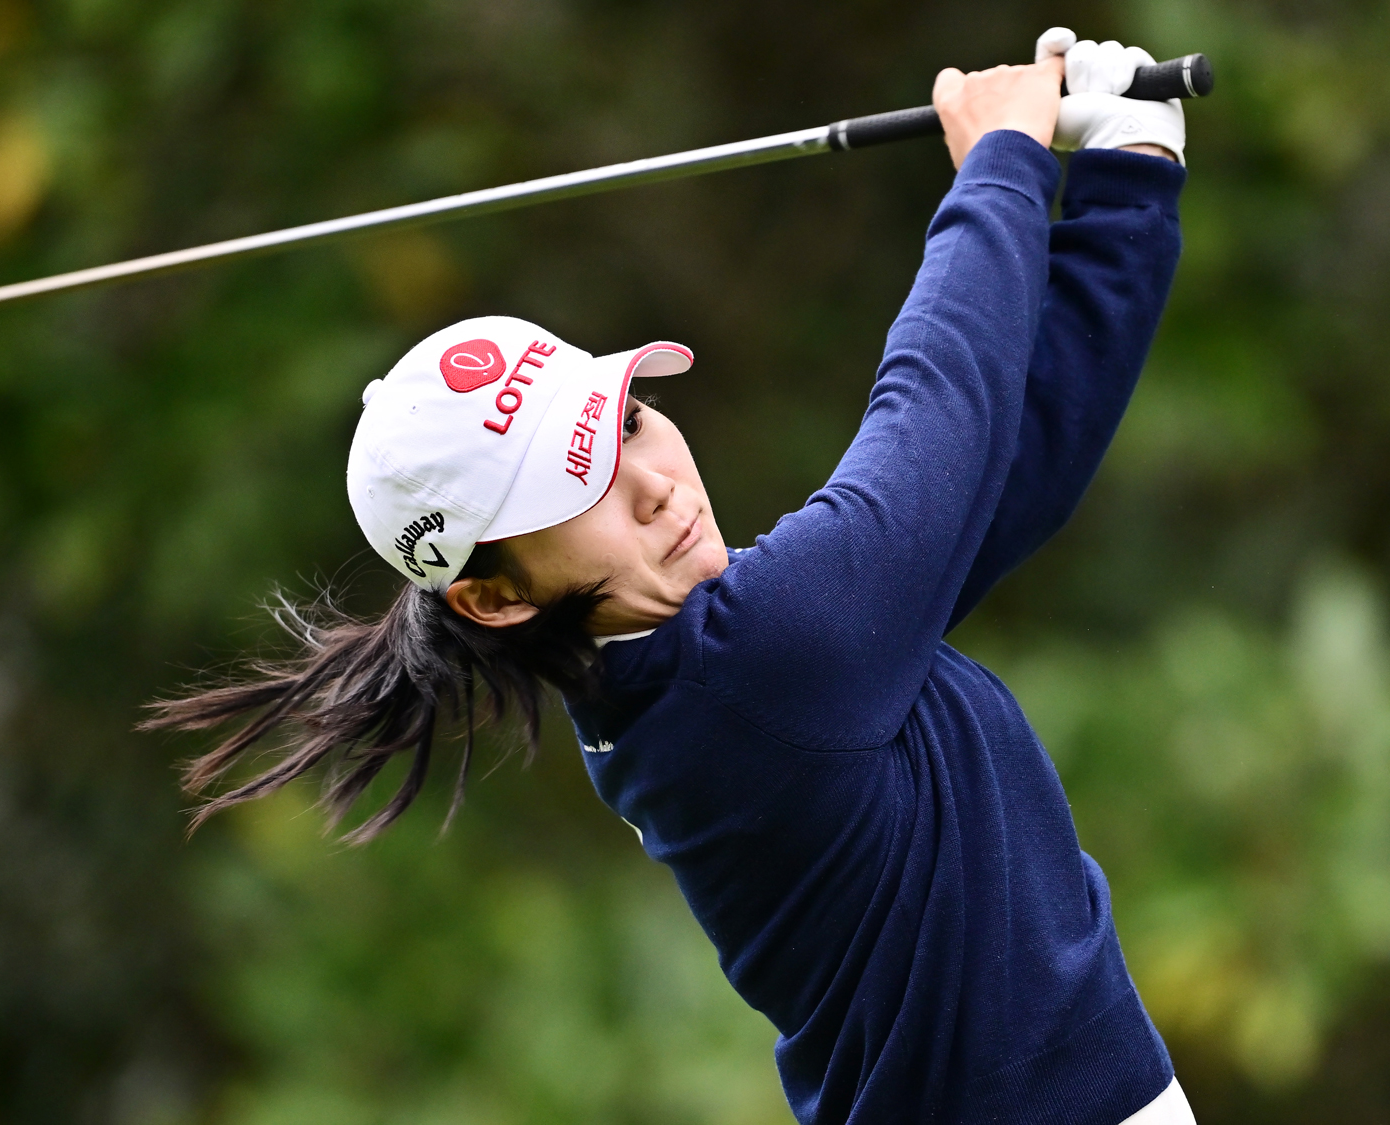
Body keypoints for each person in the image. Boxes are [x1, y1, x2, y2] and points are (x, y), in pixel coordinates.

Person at [145, 28, 1195, 1125]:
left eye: (628, 421)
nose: (650, 479)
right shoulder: (753, 670)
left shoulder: (712, 661)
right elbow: (935, 405)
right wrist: (1001, 164)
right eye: (579, 484)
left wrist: (1128, 174)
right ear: (494, 597)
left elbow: (1005, 453)